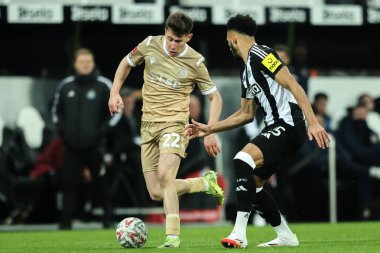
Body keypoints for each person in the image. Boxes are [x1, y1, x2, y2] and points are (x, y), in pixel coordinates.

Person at [185, 14, 329, 248]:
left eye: (226, 39)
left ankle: (239, 234)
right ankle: (285, 235)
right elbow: (246, 114)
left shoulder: (262, 54)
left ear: (232, 38)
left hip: (289, 124)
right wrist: (210, 128)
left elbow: (292, 83)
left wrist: (312, 121)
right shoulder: (246, 72)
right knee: (254, 183)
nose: (226, 43)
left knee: (242, 159)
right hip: (276, 126)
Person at [108, 12, 224, 248]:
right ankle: (203, 184)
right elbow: (125, 63)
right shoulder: (150, 44)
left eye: (178, 41)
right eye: (170, 38)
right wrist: (114, 92)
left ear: (189, 38)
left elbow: (215, 98)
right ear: (165, 32)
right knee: (156, 192)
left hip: (175, 124)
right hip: (148, 126)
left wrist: (210, 130)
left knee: (165, 176)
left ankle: (172, 237)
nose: (172, 45)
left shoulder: (196, 62)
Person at [51, 48, 114, 229]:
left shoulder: (103, 85)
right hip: (71, 146)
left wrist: (101, 132)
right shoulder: (65, 86)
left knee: (101, 182)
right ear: (75, 64)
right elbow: (56, 112)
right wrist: (64, 133)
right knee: (68, 183)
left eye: (88, 61)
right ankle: (66, 222)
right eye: (82, 62)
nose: (85, 65)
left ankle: (108, 218)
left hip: (95, 145)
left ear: (93, 64)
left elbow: (115, 112)